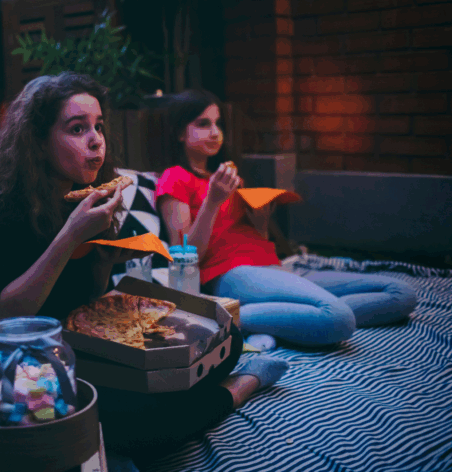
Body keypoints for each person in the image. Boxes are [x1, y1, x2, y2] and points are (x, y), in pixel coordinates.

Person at [0, 72, 289, 460]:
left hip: (82, 343)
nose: (96, 140)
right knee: (147, 424)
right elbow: (4, 316)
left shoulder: (96, 194)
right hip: (24, 363)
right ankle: (238, 389)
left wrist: (108, 260)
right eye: (77, 129)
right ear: (38, 142)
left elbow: (90, 299)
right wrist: (69, 237)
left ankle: (208, 383)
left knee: (225, 345)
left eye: (98, 126)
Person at [156, 89, 418, 349]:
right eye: (203, 124)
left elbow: (251, 241)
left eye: (218, 123)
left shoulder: (227, 178)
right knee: (338, 318)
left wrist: (260, 223)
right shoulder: (175, 177)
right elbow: (187, 258)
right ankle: (225, 317)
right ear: (180, 133)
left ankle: (281, 319)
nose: (215, 132)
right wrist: (213, 202)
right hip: (232, 274)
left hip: (274, 267)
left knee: (401, 294)